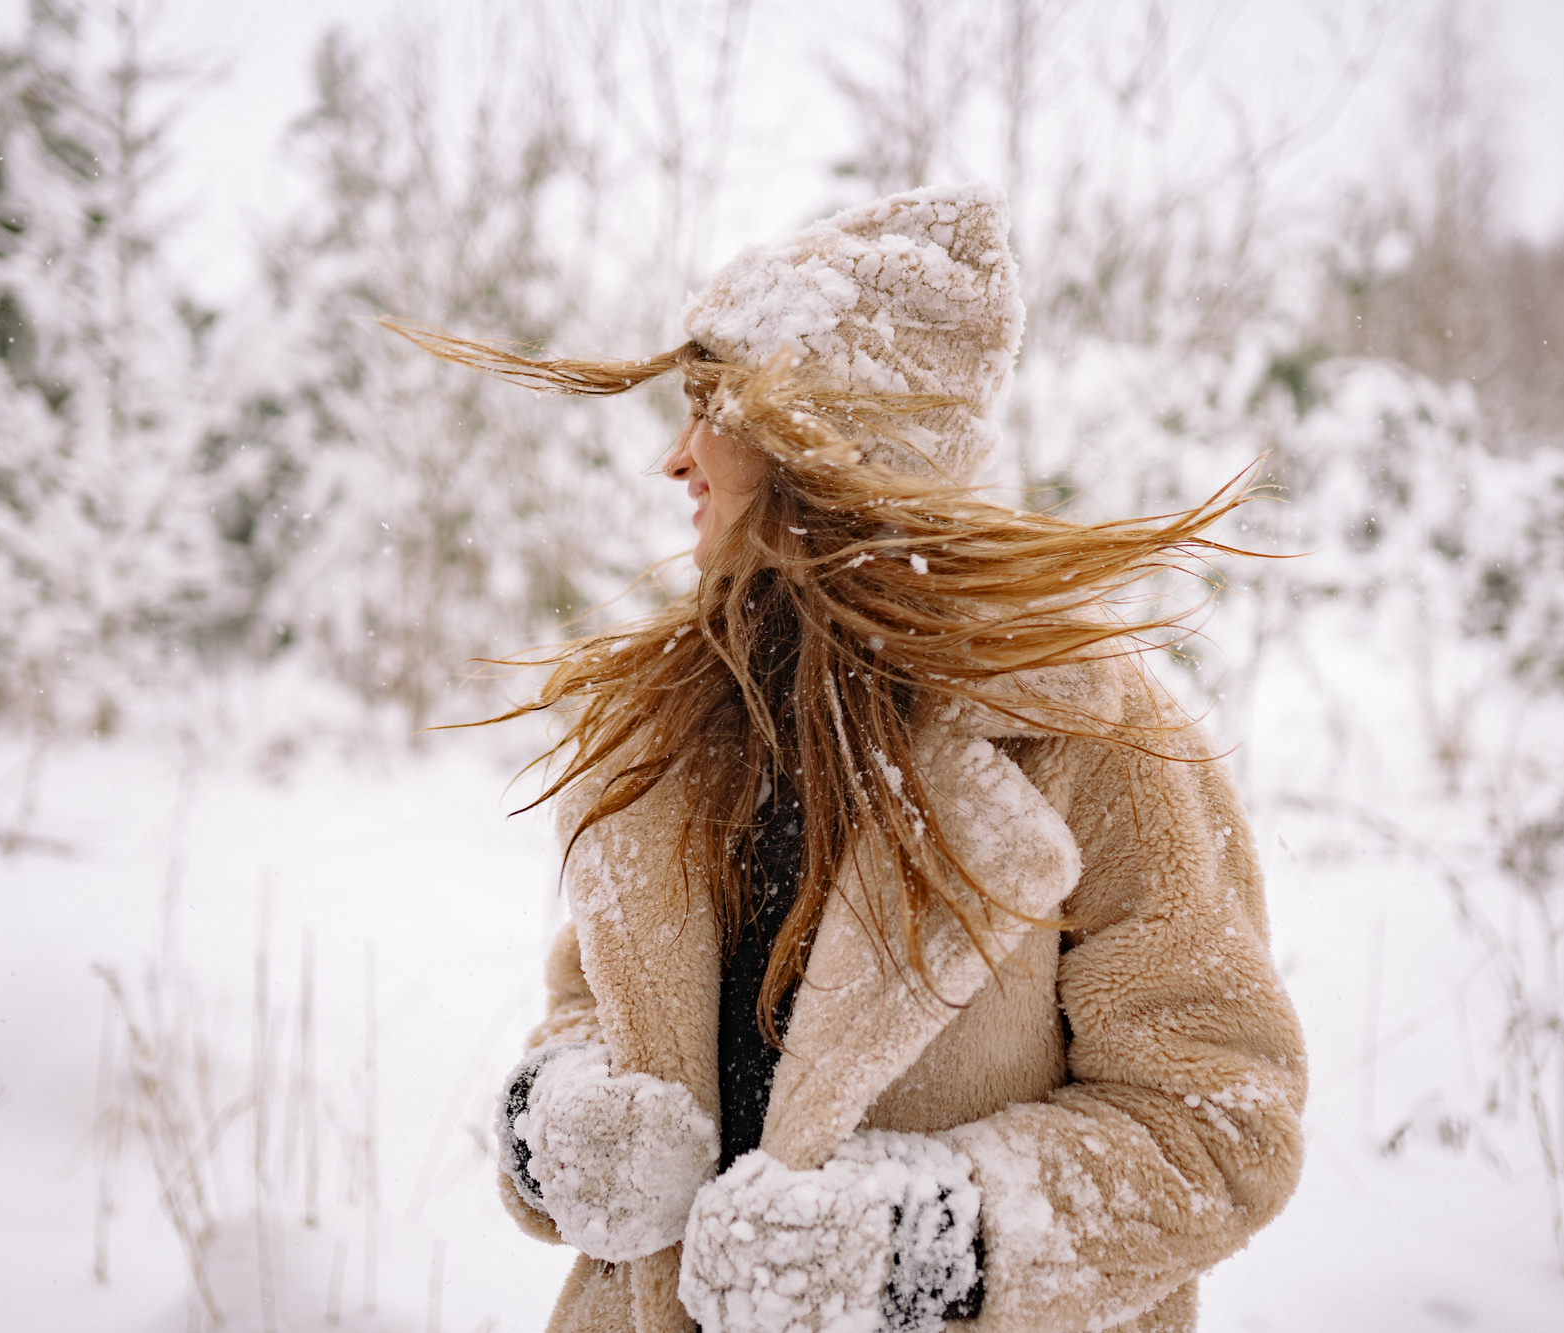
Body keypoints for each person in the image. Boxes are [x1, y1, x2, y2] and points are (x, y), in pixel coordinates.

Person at [388, 184, 1306, 1333]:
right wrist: (558, 1123)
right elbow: (585, 1006)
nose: (676, 459)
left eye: (709, 408)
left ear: (823, 438)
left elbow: (1218, 1121)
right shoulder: (679, 731)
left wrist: (914, 1249)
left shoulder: (1088, 738)